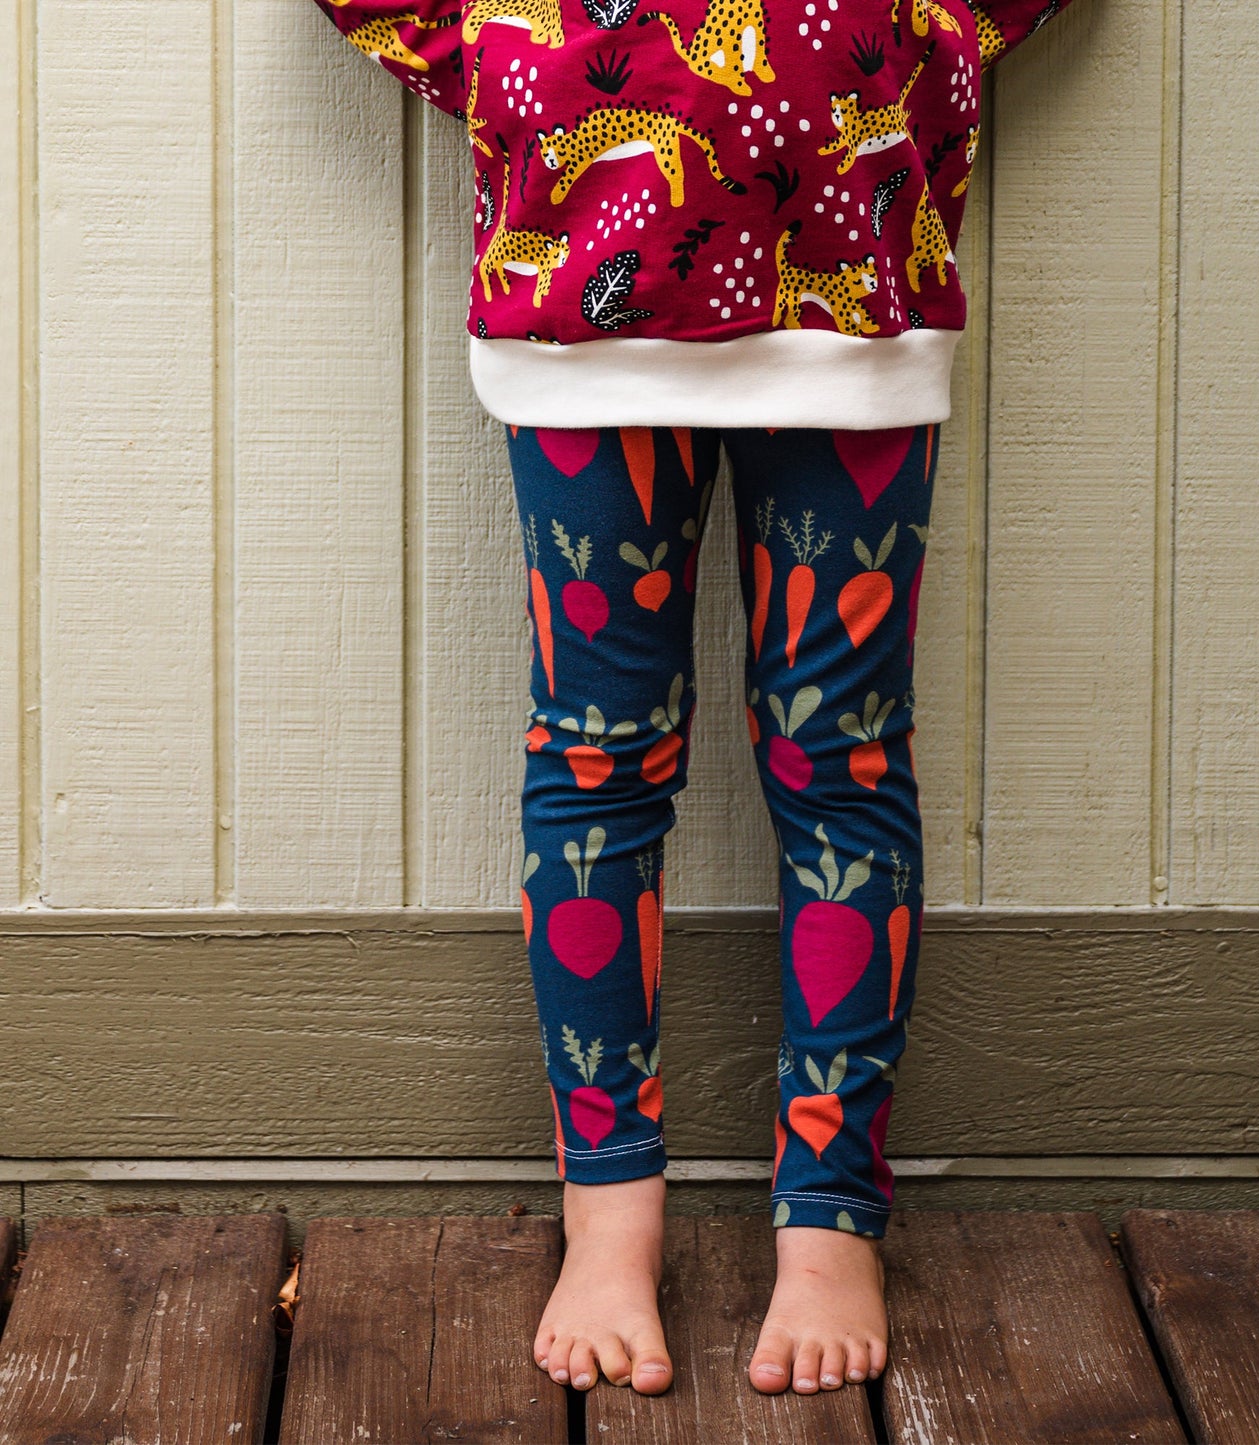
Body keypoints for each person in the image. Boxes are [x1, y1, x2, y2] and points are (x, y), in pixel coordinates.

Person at [308, 0, 1075, 1399]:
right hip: (582, 305)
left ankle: (831, 1215)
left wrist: (929, 38)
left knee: (843, 764)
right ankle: (607, 1213)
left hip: (854, 297)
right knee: (597, 764)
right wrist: (504, 58)